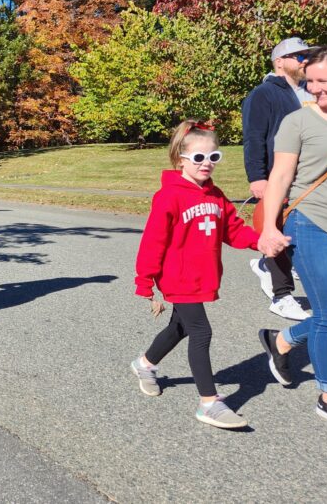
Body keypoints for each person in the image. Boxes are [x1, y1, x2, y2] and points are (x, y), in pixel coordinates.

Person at [257, 37, 327, 433]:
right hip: (312, 222)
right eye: (310, 81)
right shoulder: (299, 120)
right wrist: (269, 227)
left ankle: (283, 341)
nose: (314, 89)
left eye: (323, 82)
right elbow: (280, 176)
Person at [130, 120, 264, 429]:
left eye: (213, 157)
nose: (206, 164)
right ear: (181, 159)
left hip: (202, 276)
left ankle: (145, 364)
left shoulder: (215, 195)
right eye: (198, 158)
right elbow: (153, 241)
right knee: (201, 331)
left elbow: (233, 230)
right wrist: (145, 280)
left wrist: (261, 242)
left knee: (181, 327)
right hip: (177, 277)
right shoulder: (169, 196)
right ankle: (209, 403)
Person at [242, 37, 313, 321]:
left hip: (310, 178)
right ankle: (281, 296)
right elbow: (254, 137)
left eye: (307, 55)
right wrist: (258, 177)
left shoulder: (312, 90)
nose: (304, 60)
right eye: (298, 56)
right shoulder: (264, 94)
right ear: (279, 62)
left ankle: (265, 266)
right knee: (278, 231)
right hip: (278, 176)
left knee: (302, 235)